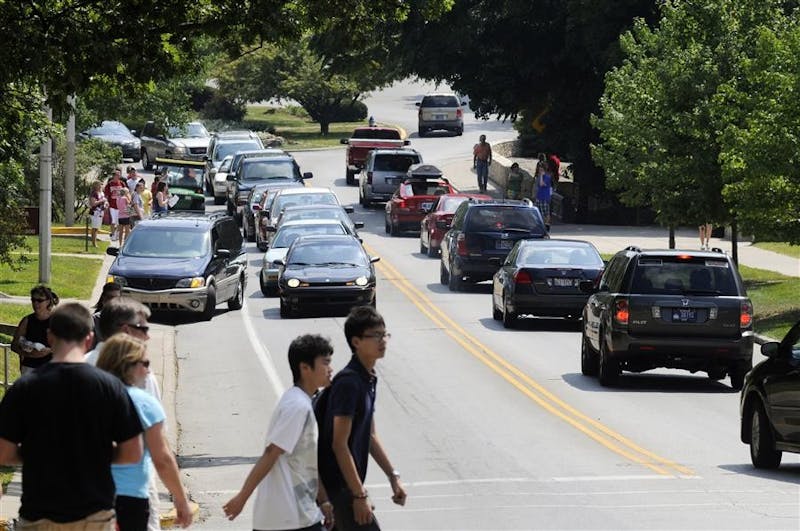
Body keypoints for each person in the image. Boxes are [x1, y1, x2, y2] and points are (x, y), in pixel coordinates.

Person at [0, 303, 144, 530]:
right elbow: (133, 452)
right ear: (89, 338)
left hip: (39, 515)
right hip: (94, 515)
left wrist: (37, 455)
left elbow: (4, 452)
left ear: (49, 337)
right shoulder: (111, 387)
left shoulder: (24, 388)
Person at [223, 334, 335, 531]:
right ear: (305, 368)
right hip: (289, 517)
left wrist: (323, 500)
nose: (330, 369)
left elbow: (307, 463)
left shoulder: (301, 402)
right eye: (325, 363)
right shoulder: (297, 407)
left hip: (299, 515)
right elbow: (271, 454)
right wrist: (242, 498)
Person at [317, 306, 406, 531]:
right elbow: (339, 444)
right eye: (375, 335)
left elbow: (370, 436)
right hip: (337, 487)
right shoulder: (349, 383)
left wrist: (393, 476)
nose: (382, 340)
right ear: (356, 342)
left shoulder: (367, 378)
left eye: (384, 334)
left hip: (346, 487)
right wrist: (359, 495)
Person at [97, 334, 193, 531]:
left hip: (88, 496)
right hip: (128, 499)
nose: (149, 371)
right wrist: (181, 501)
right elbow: (162, 460)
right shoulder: (144, 403)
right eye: (145, 363)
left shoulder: (88, 398)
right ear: (128, 364)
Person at [85, 297, 163, 531]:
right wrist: (178, 496)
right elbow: (158, 443)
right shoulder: (142, 375)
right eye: (144, 328)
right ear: (126, 331)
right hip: (134, 487)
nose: (148, 336)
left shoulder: (83, 367)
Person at [10, 285, 59, 376]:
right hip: (29, 368)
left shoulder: (57, 320)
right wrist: (29, 354)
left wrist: (49, 351)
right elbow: (14, 345)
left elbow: (67, 344)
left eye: (40, 300)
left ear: (48, 301)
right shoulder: (27, 320)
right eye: (33, 300)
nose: (35, 303)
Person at [90, 282, 122, 349]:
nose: (113, 302)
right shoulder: (94, 320)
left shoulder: (125, 319)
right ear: (103, 299)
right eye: (110, 298)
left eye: (116, 299)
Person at [104, 169, 125, 241]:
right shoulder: (109, 184)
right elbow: (106, 195)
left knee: (119, 221)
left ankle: (117, 234)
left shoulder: (122, 183)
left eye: (119, 175)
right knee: (113, 221)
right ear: (114, 176)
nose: (118, 176)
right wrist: (107, 202)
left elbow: (125, 193)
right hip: (112, 205)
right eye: (117, 175)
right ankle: (113, 234)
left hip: (120, 205)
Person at [89, 180, 108, 247]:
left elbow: (105, 200)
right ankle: (93, 243)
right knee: (94, 228)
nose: (101, 186)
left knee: (97, 228)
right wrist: (101, 201)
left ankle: (94, 242)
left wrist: (105, 204)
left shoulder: (101, 193)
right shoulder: (94, 193)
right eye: (99, 185)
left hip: (100, 212)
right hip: (95, 212)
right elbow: (93, 203)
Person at [534, 162, 553, 230]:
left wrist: (541, 176)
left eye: (540, 169)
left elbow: (542, 184)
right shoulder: (539, 177)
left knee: (546, 212)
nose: (539, 170)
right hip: (539, 196)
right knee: (539, 211)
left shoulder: (547, 177)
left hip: (545, 197)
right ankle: (541, 224)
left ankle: (547, 224)